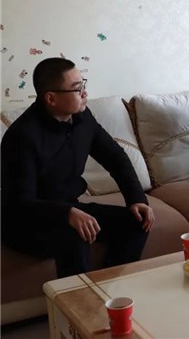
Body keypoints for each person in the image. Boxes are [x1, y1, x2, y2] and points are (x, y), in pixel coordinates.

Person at [1, 58, 155, 278]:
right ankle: (79, 299)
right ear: (51, 98)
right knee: (75, 236)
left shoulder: (82, 117)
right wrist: (66, 214)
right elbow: (21, 202)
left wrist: (136, 199)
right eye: (77, 88)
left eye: (83, 84)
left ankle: (109, 287)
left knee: (137, 223)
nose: (84, 93)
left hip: (70, 208)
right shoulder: (22, 137)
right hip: (25, 222)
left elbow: (115, 158)